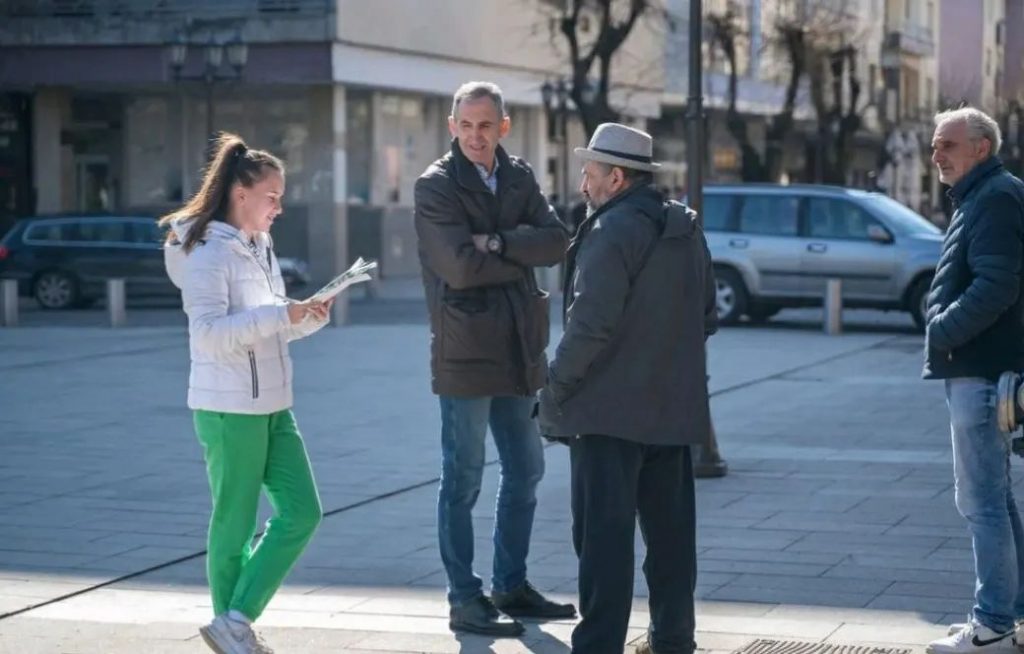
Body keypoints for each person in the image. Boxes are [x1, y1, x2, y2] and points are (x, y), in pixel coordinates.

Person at [537, 123, 717, 654]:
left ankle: (598, 645)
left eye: (590, 173)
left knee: (603, 544)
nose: (583, 184)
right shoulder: (684, 228)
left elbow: (588, 327)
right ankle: (673, 640)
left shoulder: (610, 231)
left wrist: (553, 390)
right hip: (671, 412)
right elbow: (706, 315)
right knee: (671, 540)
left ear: (616, 178)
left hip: (606, 415)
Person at [413, 81, 574, 637]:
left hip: (520, 347)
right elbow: (458, 268)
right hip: (465, 351)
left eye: (486, 125)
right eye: (466, 125)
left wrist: (498, 243)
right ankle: (464, 597)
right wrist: (518, 248)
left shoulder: (520, 176)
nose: (476, 136)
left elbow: (556, 242)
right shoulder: (435, 186)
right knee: (462, 477)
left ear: (503, 126)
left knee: (527, 468)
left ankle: (511, 584)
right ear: (452, 126)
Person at [163, 132, 332, 654]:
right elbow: (209, 334)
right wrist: (279, 314)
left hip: (274, 405)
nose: (279, 207)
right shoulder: (207, 253)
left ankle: (234, 619)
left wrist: (304, 318)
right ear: (241, 194)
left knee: (302, 512)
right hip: (227, 407)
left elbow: (268, 324)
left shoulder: (259, 246)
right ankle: (233, 628)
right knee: (234, 524)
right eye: (272, 196)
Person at [924, 107, 1024, 653]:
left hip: (981, 369)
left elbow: (997, 284)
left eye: (947, 144)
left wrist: (942, 328)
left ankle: (992, 625)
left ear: (981, 147)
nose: (936, 154)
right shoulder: (983, 195)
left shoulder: (994, 197)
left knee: (981, 501)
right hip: (985, 367)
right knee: (996, 499)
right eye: (935, 145)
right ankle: (1012, 617)